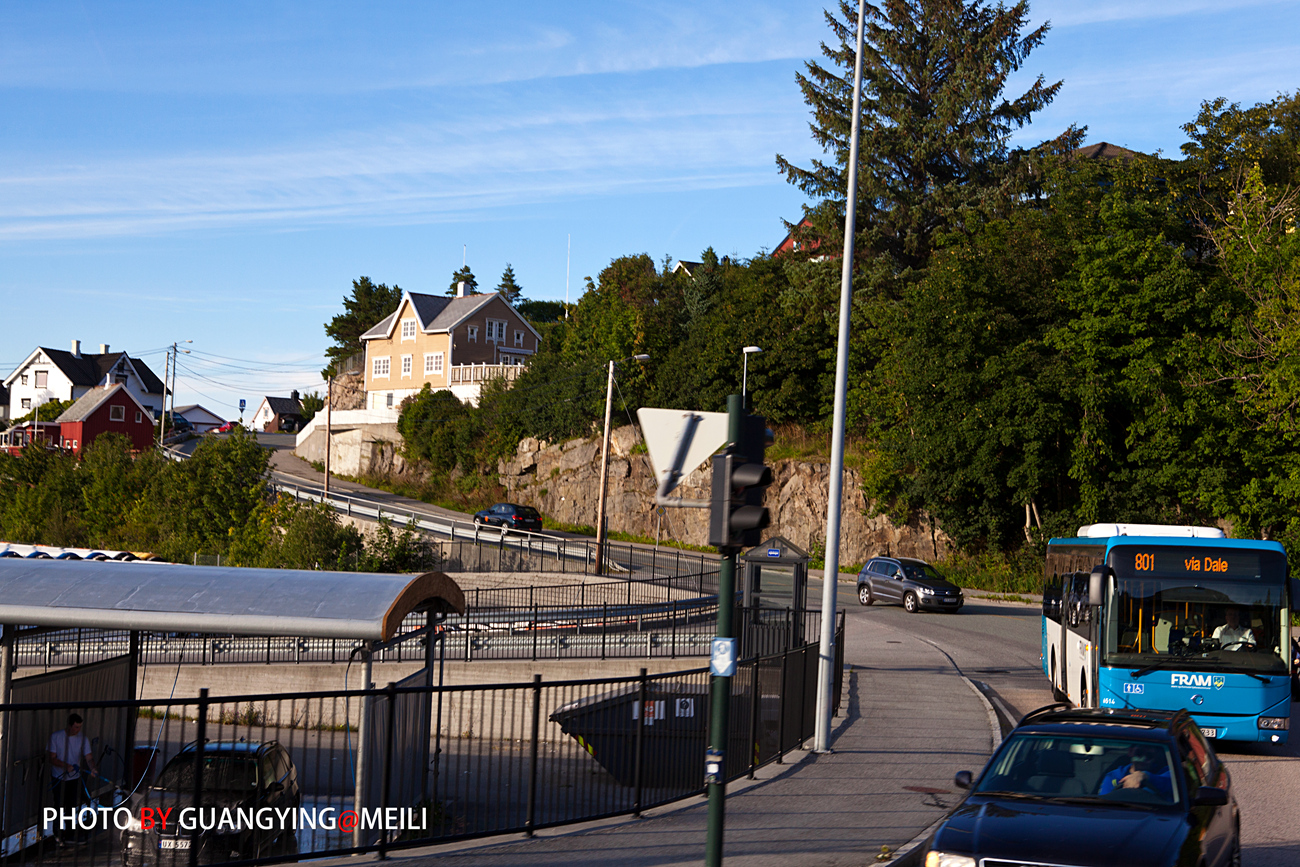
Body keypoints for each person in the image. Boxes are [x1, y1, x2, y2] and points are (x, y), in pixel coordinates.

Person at [48, 714, 98, 842]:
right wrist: (66, 766)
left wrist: (92, 767)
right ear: (69, 726)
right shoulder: (56, 737)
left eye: (80, 727)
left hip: (74, 778)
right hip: (58, 777)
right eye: (76, 727)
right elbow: (51, 758)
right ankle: (58, 834)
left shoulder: (83, 739)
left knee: (71, 806)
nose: (78, 730)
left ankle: (70, 834)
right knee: (59, 805)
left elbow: (89, 757)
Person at [1099, 747, 1172, 800]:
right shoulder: (1113, 777)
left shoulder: (1167, 773)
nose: (1144, 758)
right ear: (1130, 752)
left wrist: (1145, 776)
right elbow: (1104, 804)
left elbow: (1169, 782)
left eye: (1149, 755)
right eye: (1139, 753)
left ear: (1155, 756)